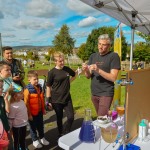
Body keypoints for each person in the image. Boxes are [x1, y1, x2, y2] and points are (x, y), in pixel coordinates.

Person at [82, 34, 121, 116]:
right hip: (94, 93)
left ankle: (109, 123)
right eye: (99, 44)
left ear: (109, 45)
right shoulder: (93, 56)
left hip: (106, 93)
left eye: (103, 45)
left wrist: (98, 70)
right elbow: (88, 76)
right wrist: (85, 70)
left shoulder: (113, 56)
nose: (100, 47)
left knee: (101, 119)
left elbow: (113, 78)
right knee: (102, 118)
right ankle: (111, 119)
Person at [46, 52, 76, 138]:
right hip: (56, 100)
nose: (62, 62)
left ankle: (66, 131)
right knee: (59, 118)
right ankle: (60, 134)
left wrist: (69, 82)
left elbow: (74, 75)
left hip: (67, 98)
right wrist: (48, 100)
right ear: (55, 62)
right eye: (60, 61)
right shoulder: (52, 72)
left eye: (63, 60)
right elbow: (48, 86)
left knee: (71, 117)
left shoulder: (67, 69)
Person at [24, 70, 49, 149]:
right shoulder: (27, 90)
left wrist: (43, 109)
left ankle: (42, 138)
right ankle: (35, 140)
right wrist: (29, 114)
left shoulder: (40, 87)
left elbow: (42, 99)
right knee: (32, 128)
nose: (37, 81)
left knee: (41, 126)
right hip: (32, 114)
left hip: (39, 112)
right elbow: (26, 103)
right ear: (29, 80)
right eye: (34, 79)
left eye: (37, 79)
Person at [0, 80, 10, 150]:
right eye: (0, 87)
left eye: (2, 87)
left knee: (5, 145)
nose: (2, 89)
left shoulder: (1, 98)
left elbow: (7, 110)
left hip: (4, 126)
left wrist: (6, 100)